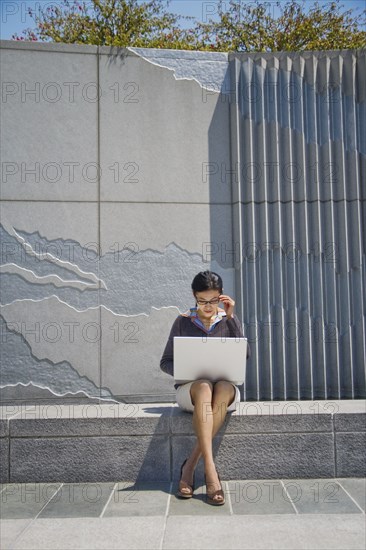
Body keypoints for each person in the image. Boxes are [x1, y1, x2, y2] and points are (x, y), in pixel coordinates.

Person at [160, 270, 250, 505]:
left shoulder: (229, 320)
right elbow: (165, 362)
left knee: (221, 386)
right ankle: (211, 472)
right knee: (203, 386)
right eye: (202, 301)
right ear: (194, 296)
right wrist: (185, 370)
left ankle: (189, 466)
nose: (208, 306)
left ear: (221, 296)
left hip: (224, 391)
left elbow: (245, 356)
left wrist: (231, 319)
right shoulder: (182, 321)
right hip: (191, 393)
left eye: (213, 300)